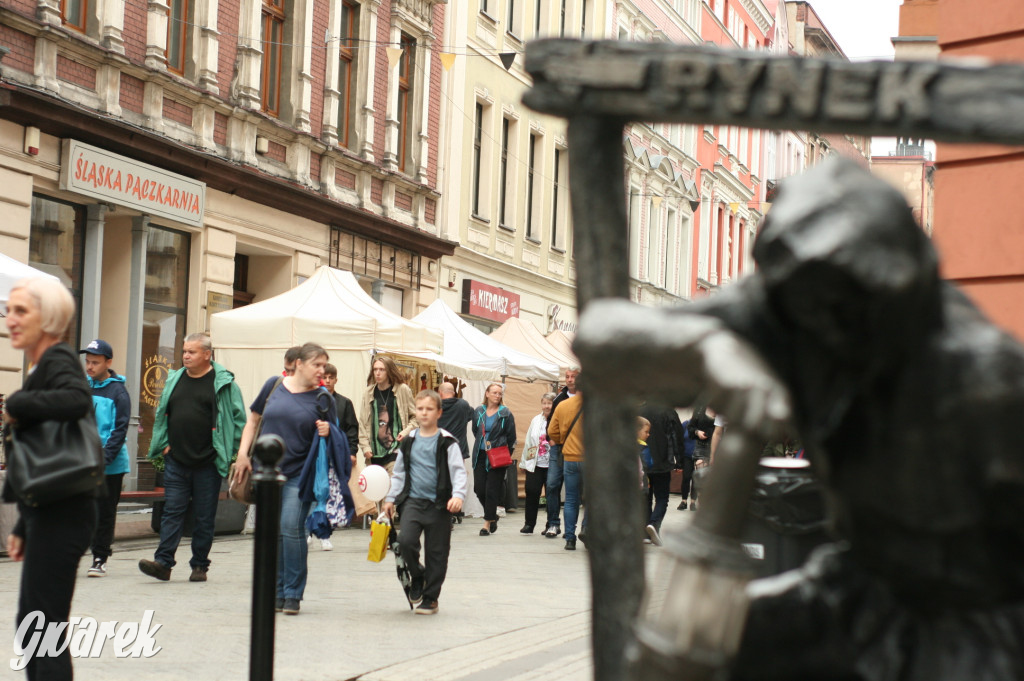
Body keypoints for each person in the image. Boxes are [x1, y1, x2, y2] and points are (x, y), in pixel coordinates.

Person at [3, 277, 98, 680]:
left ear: (49, 318)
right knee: (34, 625)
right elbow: (41, 454)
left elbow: (78, 399)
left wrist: (17, 402)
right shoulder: (42, 365)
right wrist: (24, 524)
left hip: (65, 514)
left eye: (21, 311)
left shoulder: (57, 359)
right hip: (51, 511)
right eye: (8, 310)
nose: (10, 319)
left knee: (43, 628)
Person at [233, 343, 335, 615]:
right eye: (316, 364)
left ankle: (292, 593)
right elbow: (253, 421)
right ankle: (277, 591)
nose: (321, 370)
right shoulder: (274, 385)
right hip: (266, 474)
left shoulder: (323, 398)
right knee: (274, 532)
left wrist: (328, 431)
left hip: (299, 475)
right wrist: (242, 455)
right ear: (299, 363)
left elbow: (336, 438)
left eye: (324, 365)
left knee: (291, 527)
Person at [139, 332, 246, 582]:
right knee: (172, 511)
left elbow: (239, 421)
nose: (185, 356)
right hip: (176, 460)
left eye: (192, 352)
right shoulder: (175, 378)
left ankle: (199, 565)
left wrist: (229, 452)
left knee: (203, 516)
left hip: (208, 463)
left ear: (207, 354)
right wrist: (165, 444)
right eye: (184, 351)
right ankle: (163, 563)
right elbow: (162, 412)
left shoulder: (224, 383)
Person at [382, 389, 468, 615]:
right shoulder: (408, 442)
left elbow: (458, 471)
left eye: (429, 409)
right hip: (413, 502)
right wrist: (390, 499)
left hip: (439, 506)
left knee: (437, 553)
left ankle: (431, 599)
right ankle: (418, 575)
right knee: (405, 541)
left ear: (439, 412)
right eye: (420, 409)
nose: (424, 413)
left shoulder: (447, 442)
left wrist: (458, 495)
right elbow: (399, 473)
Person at [80, 339, 131, 577]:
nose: (89, 367)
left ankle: (100, 558)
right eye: (87, 361)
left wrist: (104, 460)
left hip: (109, 466)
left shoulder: (118, 393)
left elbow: (118, 431)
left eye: (95, 362)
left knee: (104, 513)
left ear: (108, 362)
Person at [319, 363, 359, 549]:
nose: (327, 381)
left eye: (331, 378)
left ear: (336, 379)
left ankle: (325, 532)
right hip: (317, 454)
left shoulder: (344, 403)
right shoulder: (315, 400)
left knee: (332, 493)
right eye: (325, 377)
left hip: (337, 453)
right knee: (317, 492)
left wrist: (352, 451)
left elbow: (352, 428)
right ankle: (312, 529)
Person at [358, 355, 417, 474]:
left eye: (382, 369)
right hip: (374, 455)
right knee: (376, 486)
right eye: (375, 369)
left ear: (389, 371)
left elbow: (416, 417)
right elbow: (363, 423)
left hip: (396, 452)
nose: (378, 373)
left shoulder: (402, 390)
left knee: (393, 485)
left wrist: (405, 432)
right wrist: (365, 447)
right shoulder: (368, 393)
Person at [471, 383, 516, 536]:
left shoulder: (505, 413)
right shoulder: (479, 411)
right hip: (480, 454)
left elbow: (512, 436)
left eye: (499, 393)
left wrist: (505, 453)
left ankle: (486, 524)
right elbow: (475, 431)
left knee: (491, 490)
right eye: (495, 392)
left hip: (497, 455)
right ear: (487, 393)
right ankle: (492, 517)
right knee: (479, 489)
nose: (497, 395)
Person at [640, 405, 684, 546]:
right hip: (662, 462)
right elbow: (677, 436)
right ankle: (654, 523)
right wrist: (679, 461)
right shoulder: (668, 411)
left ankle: (645, 533)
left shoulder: (640, 409)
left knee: (646, 497)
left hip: (643, 460)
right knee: (662, 498)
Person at [544, 366, 579, 537]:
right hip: (559, 447)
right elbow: (550, 422)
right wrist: (552, 439)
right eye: (567, 376)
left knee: (577, 490)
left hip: (580, 449)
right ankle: (553, 523)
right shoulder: (559, 398)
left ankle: (575, 528)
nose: (570, 380)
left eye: (573, 376)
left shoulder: (588, 399)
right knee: (552, 484)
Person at [548, 385, 584, 550]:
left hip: (569, 457)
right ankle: (586, 529)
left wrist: (563, 440)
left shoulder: (563, 405)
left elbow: (552, 430)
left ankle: (570, 538)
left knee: (570, 499)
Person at [520, 392, 556, 534]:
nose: (546, 406)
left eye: (549, 403)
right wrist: (524, 463)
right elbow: (529, 442)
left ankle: (551, 524)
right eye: (544, 403)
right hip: (535, 463)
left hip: (552, 464)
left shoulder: (557, 419)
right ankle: (529, 524)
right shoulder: (536, 420)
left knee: (551, 494)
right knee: (531, 491)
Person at [437, 382, 473, 460]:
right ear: (453, 393)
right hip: (458, 452)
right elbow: (473, 415)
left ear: (439, 393)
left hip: (440, 451)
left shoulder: (435, 407)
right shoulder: (463, 405)